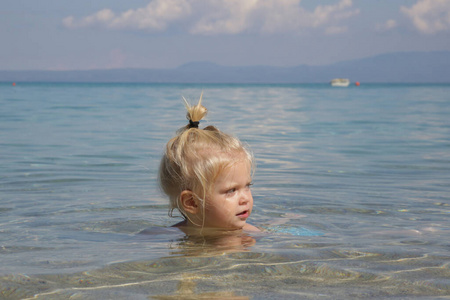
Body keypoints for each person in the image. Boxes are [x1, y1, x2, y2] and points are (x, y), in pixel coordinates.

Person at [159, 93, 260, 233]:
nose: (245, 199)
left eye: (247, 186)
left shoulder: (250, 236)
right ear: (192, 202)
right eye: (231, 190)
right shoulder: (166, 236)